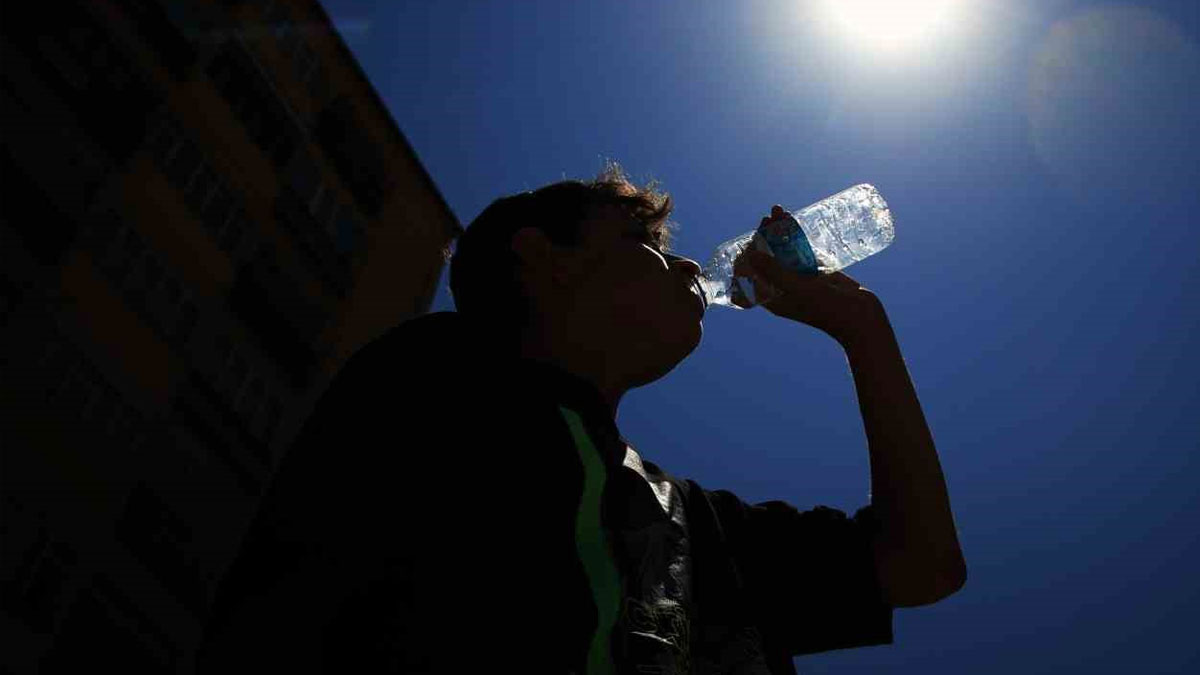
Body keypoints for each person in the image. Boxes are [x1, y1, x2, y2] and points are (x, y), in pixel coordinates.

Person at [195, 164, 966, 674]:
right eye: (646, 244)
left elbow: (920, 563)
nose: (695, 267)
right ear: (546, 258)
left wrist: (862, 328)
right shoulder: (444, 379)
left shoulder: (685, 523)